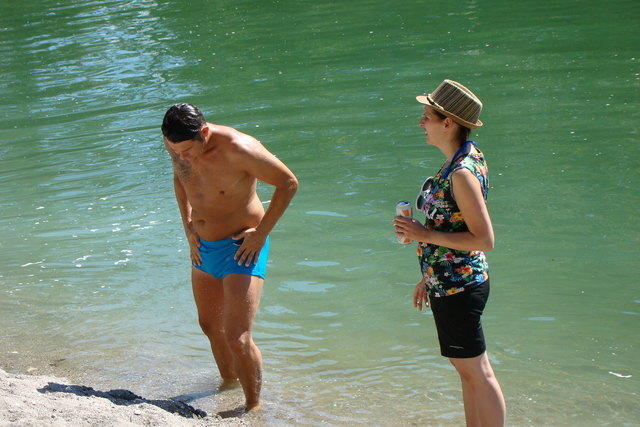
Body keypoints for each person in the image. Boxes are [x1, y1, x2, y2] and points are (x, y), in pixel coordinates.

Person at [161, 103, 298, 413]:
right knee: (211, 326)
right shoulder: (177, 145)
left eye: (186, 150)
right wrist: (187, 227)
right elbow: (180, 178)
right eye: (175, 150)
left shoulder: (239, 148)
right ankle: (228, 384)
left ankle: (253, 408)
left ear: (204, 132)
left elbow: (288, 183)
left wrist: (261, 234)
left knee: (238, 338)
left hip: (242, 247)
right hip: (202, 247)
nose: (181, 156)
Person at [393, 80, 506, 426]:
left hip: (460, 286)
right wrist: (427, 277)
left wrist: (423, 234)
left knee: (478, 373)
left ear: (448, 123)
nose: (421, 123)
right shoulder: (463, 156)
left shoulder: (461, 173)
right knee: (467, 373)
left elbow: (484, 239)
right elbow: (455, 226)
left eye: (427, 117)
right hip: (451, 281)